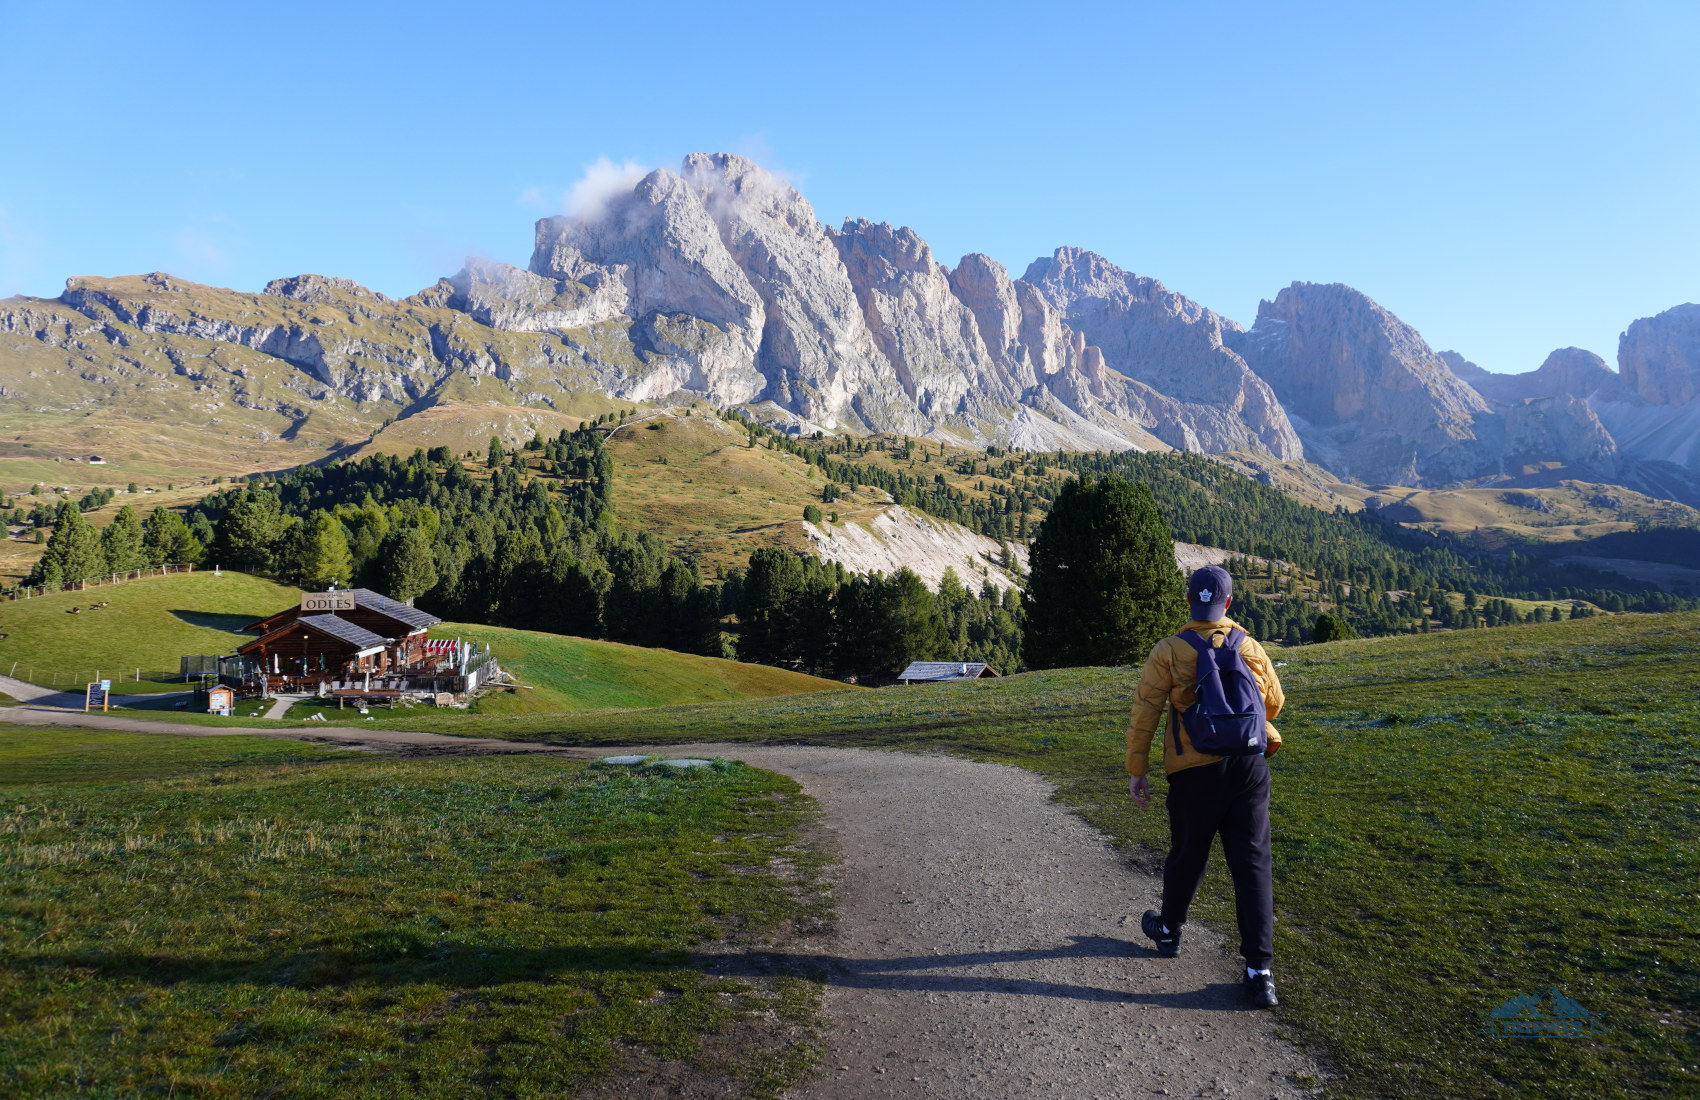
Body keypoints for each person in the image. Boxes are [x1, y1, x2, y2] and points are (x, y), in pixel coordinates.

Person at [1126, 564, 1286, 1007]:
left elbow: (1146, 712)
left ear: (1189, 602)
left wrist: (1137, 768)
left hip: (1194, 770)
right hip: (1250, 765)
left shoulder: (1170, 650)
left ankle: (1170, 931)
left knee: (1188, 854)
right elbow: (1273, 702)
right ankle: (1260, 971)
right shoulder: (1249, 644)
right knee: (1252, 863)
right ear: (1228, 603)